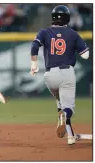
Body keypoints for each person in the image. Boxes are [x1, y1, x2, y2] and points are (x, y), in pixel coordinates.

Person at [30, 5, 89, 145]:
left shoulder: (44, 32)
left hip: (49, 76)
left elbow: (34, 46)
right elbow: (86, 55)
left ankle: (70, 136)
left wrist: (34, 64)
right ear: (67, 17)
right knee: (68, 109)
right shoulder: (73, 33)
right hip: (66, 73)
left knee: (61, 105)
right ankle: (64, 116)